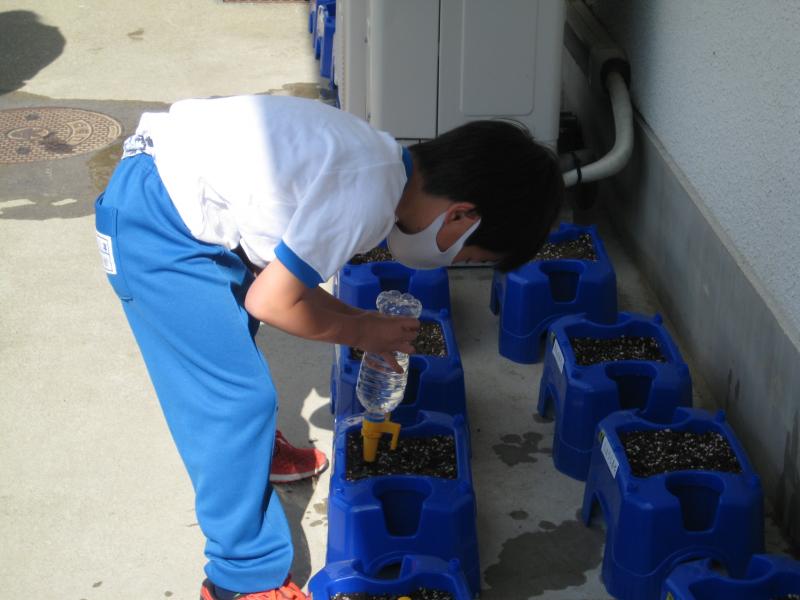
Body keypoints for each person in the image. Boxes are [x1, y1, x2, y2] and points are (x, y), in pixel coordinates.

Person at [94, 94, 563, 600]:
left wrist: (362, 321)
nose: (456, 262)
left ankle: (250, 455)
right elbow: (271, 301)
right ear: (461, 216)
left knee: (235, 353)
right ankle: (240, 579)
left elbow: (282, 280)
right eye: (468, 254)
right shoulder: (366, 198)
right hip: (158, 226)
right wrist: (362, 334)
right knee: (231, 403)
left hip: (174, 192)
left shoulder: (380, 165)